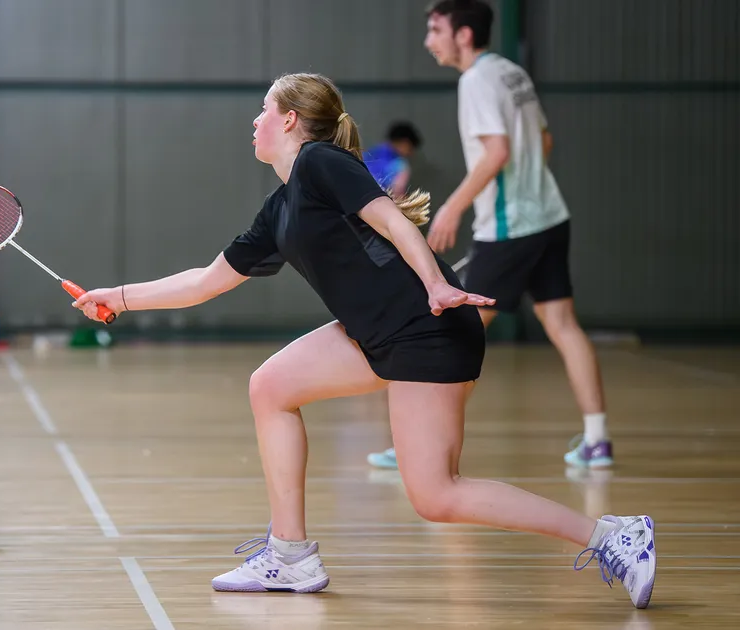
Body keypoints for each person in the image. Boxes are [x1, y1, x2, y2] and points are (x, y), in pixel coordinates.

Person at [70, 72, 655, 608]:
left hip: (427, 327)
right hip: (379, 335)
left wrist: (435, 284)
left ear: (291, 120)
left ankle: (613, 536)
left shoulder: (323, 163)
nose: (254, 121)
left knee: (437, 496)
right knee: (270, 386)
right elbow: (203, 282)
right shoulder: (281, 208)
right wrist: (115, 297)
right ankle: (290, 556)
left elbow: (393, 220)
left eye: (263, 110)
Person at [369, 0, 611, 471]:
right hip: (549, 215)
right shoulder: (510, 72)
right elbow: (542, 141)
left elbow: (497, 151)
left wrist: (453, 208)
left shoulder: (476, 79)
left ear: (462, 35)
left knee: (443, 329)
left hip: (508, 228)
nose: (428, 40)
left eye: (435, 29)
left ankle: (418, 446)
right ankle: (597, 438)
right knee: (562, 325)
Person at [362, 121, 422, 196]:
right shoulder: (400, 165)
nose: (411, 153)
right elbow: (397, 193)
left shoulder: (368, 153)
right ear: (405, 142)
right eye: (410, 148)